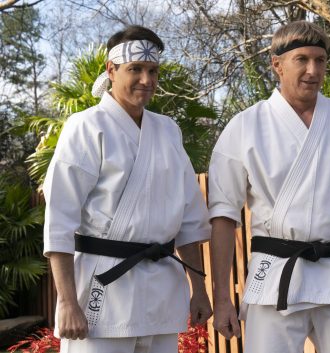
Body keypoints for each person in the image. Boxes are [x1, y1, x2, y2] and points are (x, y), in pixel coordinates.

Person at [208, 21, 330, 353]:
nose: (312, 70)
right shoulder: (245, 126)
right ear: (277, 64)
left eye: (320, 60)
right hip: (274, 277)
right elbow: (223, 217)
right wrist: (222, 298)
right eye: (301, 59)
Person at [43, 25, 212, 353]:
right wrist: (66, 302)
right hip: (102, 292)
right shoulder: (86, 127)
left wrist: (200, 288)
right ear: (111, 70)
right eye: (135, 69)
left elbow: (189, 219)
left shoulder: (167, 130)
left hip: (162, 290)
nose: (146, 80)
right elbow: (59, 220)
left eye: (152, 70)